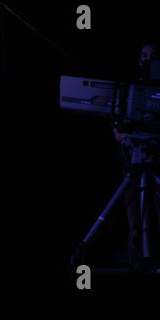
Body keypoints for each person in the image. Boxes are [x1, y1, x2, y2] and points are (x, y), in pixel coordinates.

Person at [113, 41, 160, 271]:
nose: (147, 59)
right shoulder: (129, 86)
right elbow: (116, 120)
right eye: (143, 55)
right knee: (133, 208)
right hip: (131, 156)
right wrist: (121, 135)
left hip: (155, 155)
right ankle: (136, 258)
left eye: (152, 56)